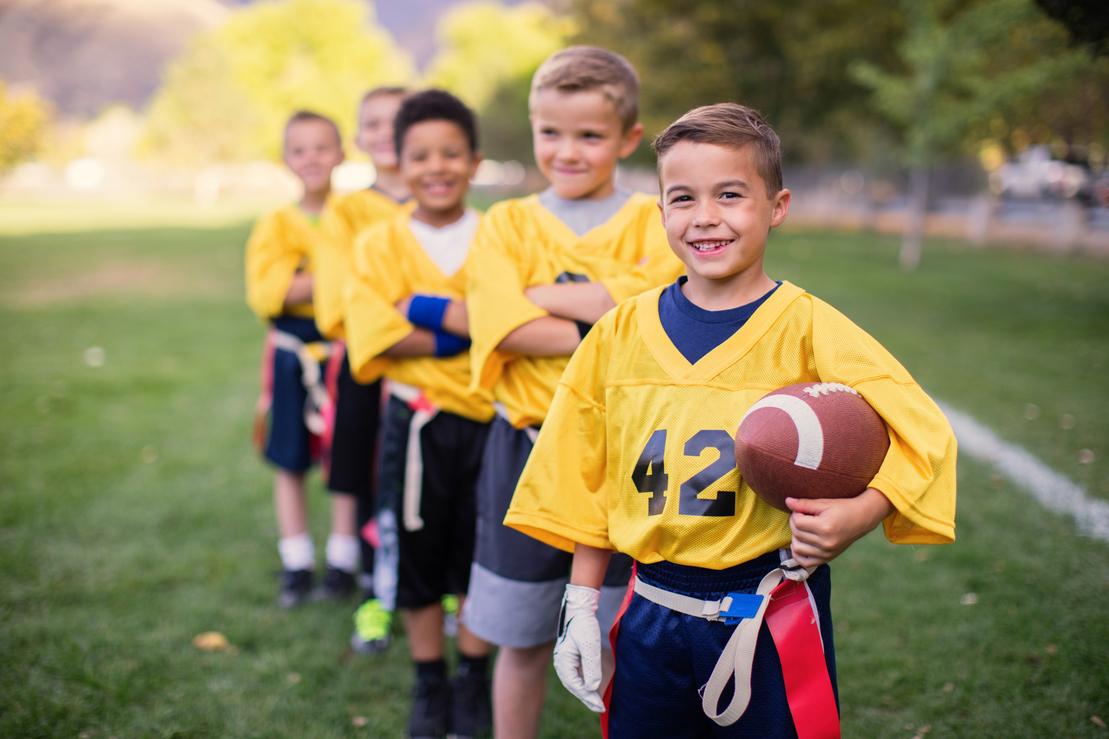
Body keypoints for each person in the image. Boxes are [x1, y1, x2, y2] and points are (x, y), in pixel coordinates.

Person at [504, 103, 958, 738]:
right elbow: (586, 473)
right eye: (682, 197)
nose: (705, 216)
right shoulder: (618, 331)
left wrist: (865, 510)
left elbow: (922, 429)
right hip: (649, 608)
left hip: (770, 606)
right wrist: (581, 602)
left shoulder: (807, 325)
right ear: (660, 211)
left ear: (777, 206)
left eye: (731, 194)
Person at [462, 46, 683, 738]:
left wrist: (538, 301)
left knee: (620, 632)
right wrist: (614, 311)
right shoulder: (505, 223)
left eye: (589, 135)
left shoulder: (658, 218)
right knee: (520, 633)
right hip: (524, 447)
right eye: (550, 132)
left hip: (626, 455)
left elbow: (666, 316)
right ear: (532, 128)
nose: (567, 150)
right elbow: (502, 328)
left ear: (626, 138)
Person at [345, 88, 494, 739]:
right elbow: (371, 334)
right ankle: (429, 679)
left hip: (493, 422)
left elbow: (512, 320)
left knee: (481, 553)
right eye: (419, 155)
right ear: (397, 163)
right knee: (416, 555)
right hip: (417, 422)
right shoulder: (378, 244)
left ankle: (473, 677)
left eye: (450, 153)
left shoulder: (501, 235)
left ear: (474, 161)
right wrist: (464, 330)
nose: (435, 167)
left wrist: (419, 308)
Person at [314, 87, 411, 652]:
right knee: (371, 473)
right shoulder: (347, 211)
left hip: (437, 370)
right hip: (368, 365)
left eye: (397, 122)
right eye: (372, 123)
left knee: (429, 484)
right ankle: (374, 586)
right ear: (358, 138)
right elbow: (339, 299)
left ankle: (440, 586)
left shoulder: (444, 206)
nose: (386, 132)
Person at [243, 110, 350, 607]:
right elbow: (270, 292)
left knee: (345, 455)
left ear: (342, 153)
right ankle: (297, 558)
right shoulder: (276, 223)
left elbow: (372, 280)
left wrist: (308, 279)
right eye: (300, 149)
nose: (312, 158)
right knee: (290, 458)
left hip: (344, 351)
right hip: (291, 354)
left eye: (322, 147)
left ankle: (346, 558)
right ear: (287, 159)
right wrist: (330, 282)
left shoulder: (354, 217)